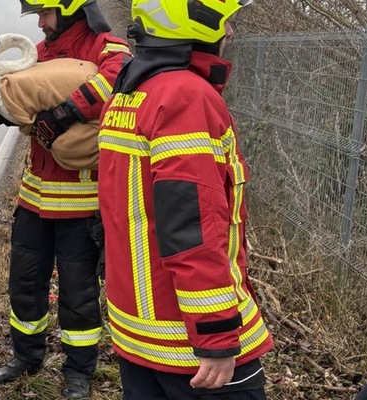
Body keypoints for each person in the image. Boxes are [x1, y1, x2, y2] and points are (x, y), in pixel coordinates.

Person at [97, 1, 274, 399]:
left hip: (139, 334)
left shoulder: (130, 91)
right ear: (195, 20)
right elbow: (192, 227)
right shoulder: (186, 97)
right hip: (190, 347)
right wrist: (216, 333)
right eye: (225, 22)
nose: (229, 33)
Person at [0, 1, 131, 398]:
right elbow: (27, 99)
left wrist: (68, 111)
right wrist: (7, 111)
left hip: (82, 202)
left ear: (70, 9)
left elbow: (120, 77)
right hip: (34, 198)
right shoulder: (41, 52)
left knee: (78, 293)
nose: (41, 22)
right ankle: (26, 356)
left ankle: (79, 371)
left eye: (46, 14)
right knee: (24, 284)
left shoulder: (106, 46)